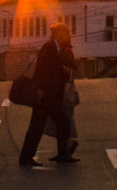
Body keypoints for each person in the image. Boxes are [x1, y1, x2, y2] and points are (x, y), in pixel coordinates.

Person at [19, 22, 77, 166]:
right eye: (64, 34)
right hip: (46, 93)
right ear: (58, 34)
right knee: (56, 121)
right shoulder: (50, 47)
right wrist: (42, 89)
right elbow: (44, 70)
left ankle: (29, 156)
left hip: (48, 93)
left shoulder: (54, 47)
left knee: (40, 124)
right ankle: (61, 153)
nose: (66, 37)